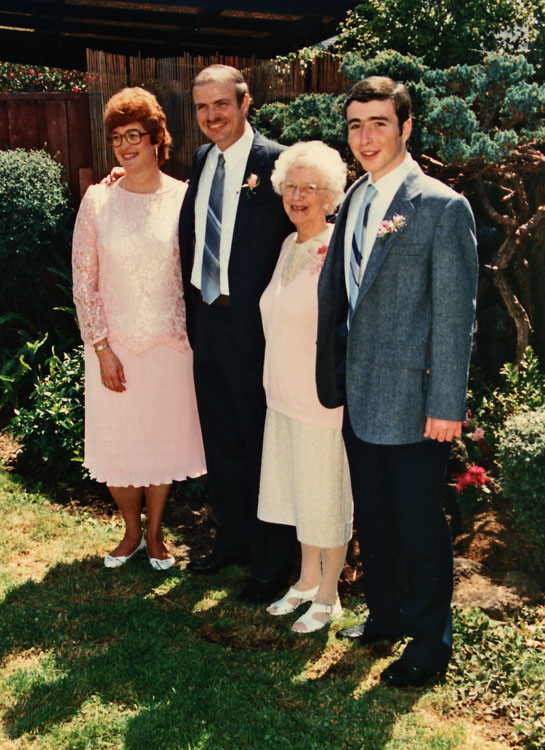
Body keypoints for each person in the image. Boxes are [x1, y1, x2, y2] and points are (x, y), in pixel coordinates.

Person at [316, 77, 478, 684]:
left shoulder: (439, 206)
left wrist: (445, 404)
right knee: (375, 518)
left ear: (406, 128)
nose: (366, 136)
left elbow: (455, 315)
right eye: (356, 125)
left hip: (414, 400)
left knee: (418, 525)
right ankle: (385, 615)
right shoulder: (356, 197)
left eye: (379, 123)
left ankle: (430, 646)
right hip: (358, 393)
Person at [72, 87, 205, 571]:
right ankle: (129, 532)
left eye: (135, 135)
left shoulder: (183, 198)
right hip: (115, 346)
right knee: (120, 442)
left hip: (169, 346)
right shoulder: (97, 200)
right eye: (117, 138)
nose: (126, 146)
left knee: (160, 441)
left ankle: (154, 534)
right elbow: (83, 282)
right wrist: (102, 347)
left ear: (156, 139)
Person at [178, 64, 296, 603]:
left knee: (261, 441)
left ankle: (273, 563)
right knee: (221, 438)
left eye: (221, 105)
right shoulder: (203, 159)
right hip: (209, 321)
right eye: (202, 107)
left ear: (245, 103)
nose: (211, 116)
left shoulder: (275, 162)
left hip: (258, 331)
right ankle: (232, 540)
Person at [257, 141, 352, 633]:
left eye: (309, 188)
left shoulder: (338, 250)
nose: (298, 197)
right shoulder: (287, 245)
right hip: (282, 394)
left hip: (321, 399)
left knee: (325, 495)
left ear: (330, 195)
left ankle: (330, 593)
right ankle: (307, 577)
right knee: (299, 492)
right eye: (290, 187)